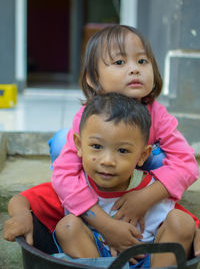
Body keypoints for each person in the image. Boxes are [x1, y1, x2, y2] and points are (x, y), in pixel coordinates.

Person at [51, 24, 199, 253]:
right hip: (101, 189)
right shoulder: (88, 117)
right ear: (93, 78)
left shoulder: (156, 113)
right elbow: (62, 175)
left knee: (161, 159)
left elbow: (187, 164)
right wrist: (105, 223)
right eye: (120, 62)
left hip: (140, 170)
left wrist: (146, 197)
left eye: (142, 61)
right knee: (62, 142)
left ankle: (158, 216)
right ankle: (81, 209)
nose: (134, 69)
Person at [53, 92, 196, 268]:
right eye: (96, 147)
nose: (107, 161)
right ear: (79, 146)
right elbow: (31, 200)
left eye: (122, 151)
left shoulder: (148, 187)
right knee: (67, 227)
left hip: (149, 259)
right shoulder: (75, 184)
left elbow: (181, 222)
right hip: (97, 257)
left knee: (182, 221)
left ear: (143, 155)